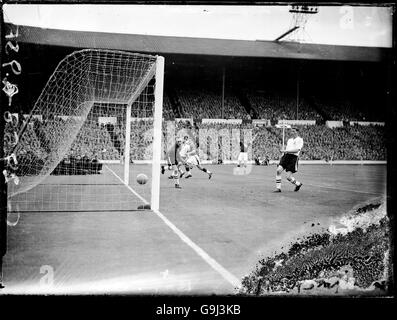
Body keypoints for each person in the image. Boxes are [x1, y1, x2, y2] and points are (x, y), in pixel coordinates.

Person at [274, 127, 303, 192]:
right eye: (291, 131)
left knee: (288, 177)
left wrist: (285, 151)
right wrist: (282, 156)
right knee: (278, 170)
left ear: (297, 132)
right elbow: (287, 150)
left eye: (293, 131)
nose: (292, 132)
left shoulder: (300, 140)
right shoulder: (289, 140)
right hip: (286, 156)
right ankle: (278, 188)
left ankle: (298, 184)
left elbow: (296, 150)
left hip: (293, 158)